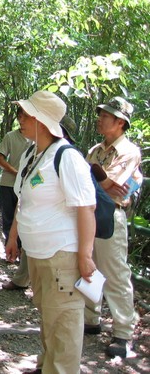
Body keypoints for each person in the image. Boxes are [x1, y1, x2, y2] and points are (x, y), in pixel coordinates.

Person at [5, 90, 96, 374]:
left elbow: (86, 208)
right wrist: (13, 235)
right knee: (48, 315)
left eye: (25, 115)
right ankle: (46, 366)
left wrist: (85, 256)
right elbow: (24, 198)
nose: (20, 119)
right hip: (38, 254)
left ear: (41, 121)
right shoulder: (33, 153)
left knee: (64, 323)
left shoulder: (67, 157)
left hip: (62, 255)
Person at [84, 97, 142, 358]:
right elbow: (92, 181)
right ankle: (91, 318)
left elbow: (114, 184)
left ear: (120, 122)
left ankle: (123, 332)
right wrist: (99, 175)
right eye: (101, 113)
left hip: (111, 214)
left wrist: (96, 173)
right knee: (89, 265)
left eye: (106, 115)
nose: (100, 118)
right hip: (89, 212)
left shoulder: (129, 151)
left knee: (116, 272)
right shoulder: (96, 149)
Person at [0, 109, 31, 291]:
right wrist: (15, 172)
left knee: (24, 220)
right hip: (9, 184)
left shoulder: (37, 139)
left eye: (26, 116)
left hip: (27, 187)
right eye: (20, 117)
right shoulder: (10, 136)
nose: (22, 120)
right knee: (9, 219)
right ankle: (12, 252)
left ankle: (22, 255)